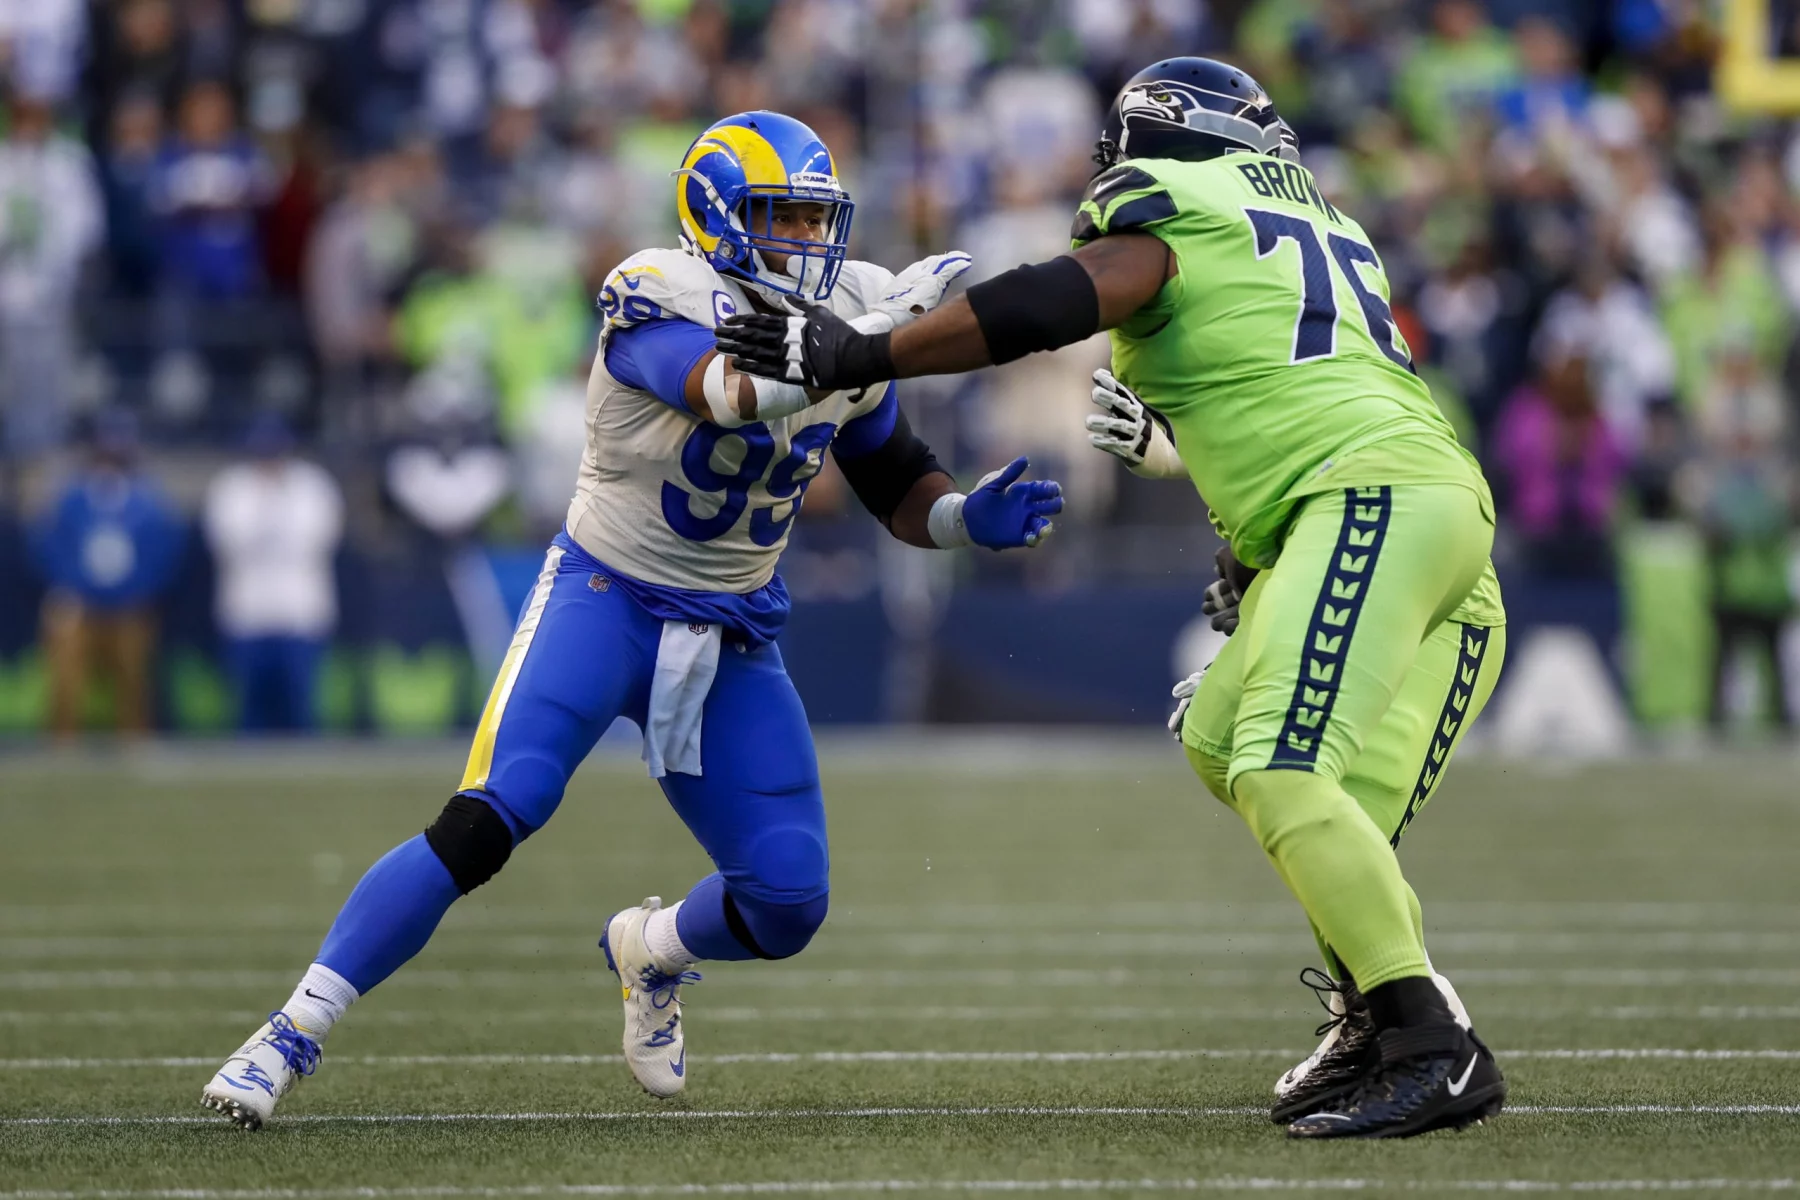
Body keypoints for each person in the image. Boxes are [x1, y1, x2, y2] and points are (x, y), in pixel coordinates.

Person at [199, 111, 1062, 1129]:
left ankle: (650, 950)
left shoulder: (855, 310)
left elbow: (893, 476)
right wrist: (870, 344)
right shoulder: (658, 290)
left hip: (731, 630)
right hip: (606, 598)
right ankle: (289, 1032)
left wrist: (960, 519)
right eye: (781, 217)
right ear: (719, 218)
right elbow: (732, 393)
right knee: (492, 815)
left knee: (789, 901)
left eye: (815, 219)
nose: (806, 241)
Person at [719, 61, 1509, 1140]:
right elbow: (1288, 396)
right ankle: (1378, 1013)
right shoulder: (1322, 223)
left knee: (1280, 766)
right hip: (1411, 504)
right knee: (1232, 742)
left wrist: (867, 351)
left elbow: (1055, 301)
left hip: (1373, 497)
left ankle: (1433, 1044)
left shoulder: (1174, 203)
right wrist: (1249, 549)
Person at [31, 411, 184, 737]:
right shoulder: (72, 498)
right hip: (78, 605)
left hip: (129, 605)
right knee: (66, 680)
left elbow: (163, 551)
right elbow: (48, 545)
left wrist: (142, 590)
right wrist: (67, 586)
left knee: (134, 683)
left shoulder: (147, 501)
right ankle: (62, 745)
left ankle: (133, 743)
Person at [201, 416, 345, 733]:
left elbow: (317, 541)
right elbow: (228, 543)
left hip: (301, 613)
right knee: (248, 709)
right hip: (247, 613)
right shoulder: (231, 487)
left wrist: (273, 522)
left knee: (301, 708)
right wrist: (268, 516)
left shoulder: (313, 485)